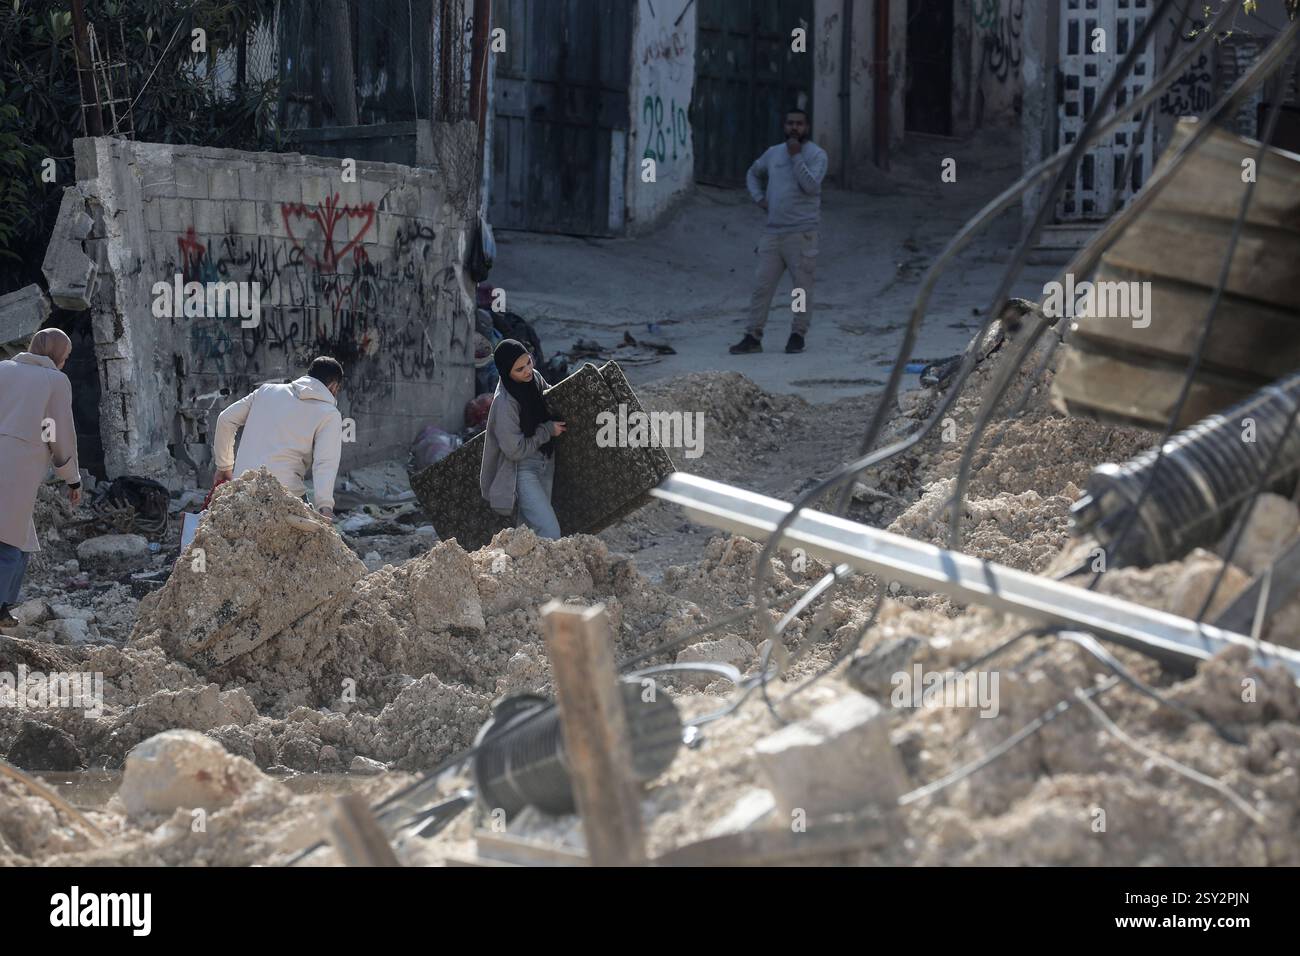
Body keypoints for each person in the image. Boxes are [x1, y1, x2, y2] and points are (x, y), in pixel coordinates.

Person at [0, 329, 82, 628]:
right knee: (9, 543)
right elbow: (54, 430)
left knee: (20, 541)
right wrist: (70, 477)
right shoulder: (54, 382)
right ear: (57, 353)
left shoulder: (3, 368)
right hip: (17, 466)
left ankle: (3, 608)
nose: (65, 362)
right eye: (66, 356)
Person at [730, 107, 828, 356]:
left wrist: (797, 157)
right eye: (790, 123)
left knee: (800, 289)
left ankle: (797, 334)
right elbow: (753, 173)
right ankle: (753, 336)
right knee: (762, 286)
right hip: (773, 233)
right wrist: (759, 198)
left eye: (800, 124)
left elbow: (810, 186)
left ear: (807, 127)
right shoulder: (773, 154)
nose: (794, 128)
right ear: (784, 126)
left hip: (802, 234)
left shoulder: (816, 155)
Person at [213, 356, 344, 518]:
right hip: (285, 495)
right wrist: (325, 505)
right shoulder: (329, 414)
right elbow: (325, 462)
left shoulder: (266, 391)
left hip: (243, 488)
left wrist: (224, 467)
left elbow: (225, 419)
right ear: (333, 386)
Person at [480, 339, 567, 539]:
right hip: (523, 470)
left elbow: (552, 400)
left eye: (528, 362)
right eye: (519, 369)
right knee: (549, 531)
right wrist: (546, 431)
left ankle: (523, 569)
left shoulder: (534, 378)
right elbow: (514, 450)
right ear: (506, 372)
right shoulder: (504, 403)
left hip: (545, 462)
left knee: (528, 532)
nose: (527, 370)